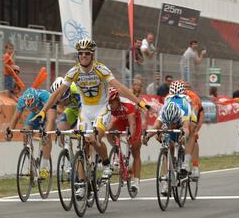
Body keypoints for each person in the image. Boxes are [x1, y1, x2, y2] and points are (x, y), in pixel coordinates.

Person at [31, 38, 151, 199]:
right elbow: (57, 93)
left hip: (102, 109)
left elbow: (120, 88)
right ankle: (82, 184)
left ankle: (107, 163)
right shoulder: (74, 72)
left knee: (94, 139)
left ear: (92, 55)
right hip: (85, 111)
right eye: (81, 53)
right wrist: (44, 111)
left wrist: (140, 103)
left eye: (87, 53)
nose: (84, 56)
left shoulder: (101, 69)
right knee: (82, 144)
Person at [143, 101, 192, 196]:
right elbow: (155, 127)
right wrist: (147, 137)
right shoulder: (162, 115)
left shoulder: (183, 114)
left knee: (182, 139)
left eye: (172, 123)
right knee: (162, 139)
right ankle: (167, 180)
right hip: (167, 131)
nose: (170, 125)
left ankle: (182, 163)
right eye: (169, 123)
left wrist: (184, 136)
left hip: (179, 130)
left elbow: (186, 128)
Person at [6, 87, 57, 179]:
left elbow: (50, 120)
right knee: (26, 132)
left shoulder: (44, 96)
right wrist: (10, 131)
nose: (34, 109)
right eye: (31, 108)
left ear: (37, 101)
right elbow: (15, 117)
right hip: (35, 116)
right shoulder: (22, 100)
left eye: (35, 107)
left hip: (47, 111)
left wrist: (46, 133)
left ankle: (44, 167)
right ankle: (31, 164)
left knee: (46, 134)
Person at [107, 87, 142, 192]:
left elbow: (132, 123)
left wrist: (131, 136)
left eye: (112, 103)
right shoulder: (109, 106)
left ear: (117, 100)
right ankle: (118, 152)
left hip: (134, 120)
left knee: (135, 148)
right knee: (108, 132)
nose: (110, 105)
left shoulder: (128, 105)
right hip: (121, 119)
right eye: (108, 103)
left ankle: (136, 181)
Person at [181, 80, 204, 178]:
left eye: (187, 87)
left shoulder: (194, 97)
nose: (186, 89)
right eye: (184, 87)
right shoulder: (177, 96)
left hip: (194, 116)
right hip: (181, 117)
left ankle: (195, 167)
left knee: (193, 137)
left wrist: (194, 128)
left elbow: (194, 114)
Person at [49, 77, 81, 145]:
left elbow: (83, 113)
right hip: (72, 111)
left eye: (64, 99)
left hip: (84, 110)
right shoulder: (53, 97)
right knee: (60, 132)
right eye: (59, 102)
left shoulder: (76, 91)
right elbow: (53, 116)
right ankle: (69, 151)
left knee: (84, 134)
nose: (62, 103)